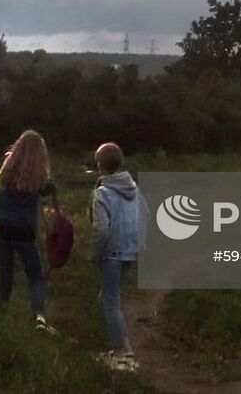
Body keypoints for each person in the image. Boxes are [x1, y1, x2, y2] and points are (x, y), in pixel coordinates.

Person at [0, 129, 57, 334]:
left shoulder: (9, 167)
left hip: (1, 222)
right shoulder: (40, 177)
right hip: (24, 228)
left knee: (5, 269)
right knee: (35, 273)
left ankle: (1, 308)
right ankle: (39, 315)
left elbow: (0, 182)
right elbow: (48, 192)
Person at [90, 142, 146, 372]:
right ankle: (121, 345)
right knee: (107, 298)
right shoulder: (134, 189)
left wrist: (95, 254)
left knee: (111, 303)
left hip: (112, 253)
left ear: (100, 166)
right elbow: (145, 216)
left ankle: (124, 355)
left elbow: (101, 229)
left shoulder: (102, 193)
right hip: (130, 252)